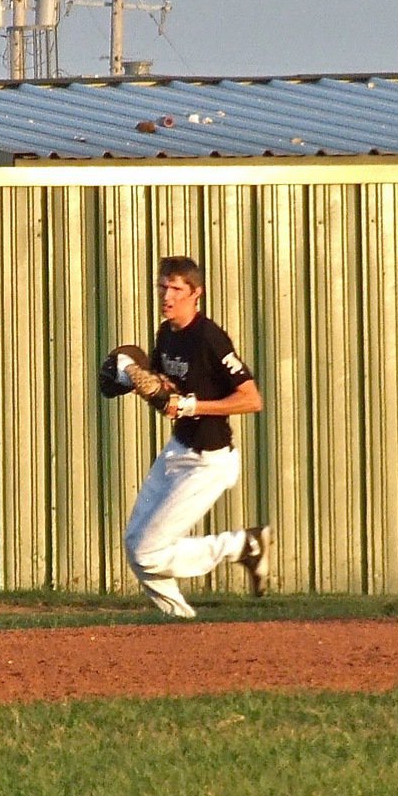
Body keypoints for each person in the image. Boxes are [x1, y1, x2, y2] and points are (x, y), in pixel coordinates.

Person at [122, 255, 270, 620]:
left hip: (210, 460)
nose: (167, 296)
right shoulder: (166, 333)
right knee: (135, 546)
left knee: (148, 552)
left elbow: (252, 399)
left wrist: (193, 406)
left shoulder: (209, 337)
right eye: (162, 287)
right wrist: (132, 376)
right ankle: (179, 620)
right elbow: (162, 386)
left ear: (196, 293)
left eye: (176, 288)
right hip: (178, 450)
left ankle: (243, 545)